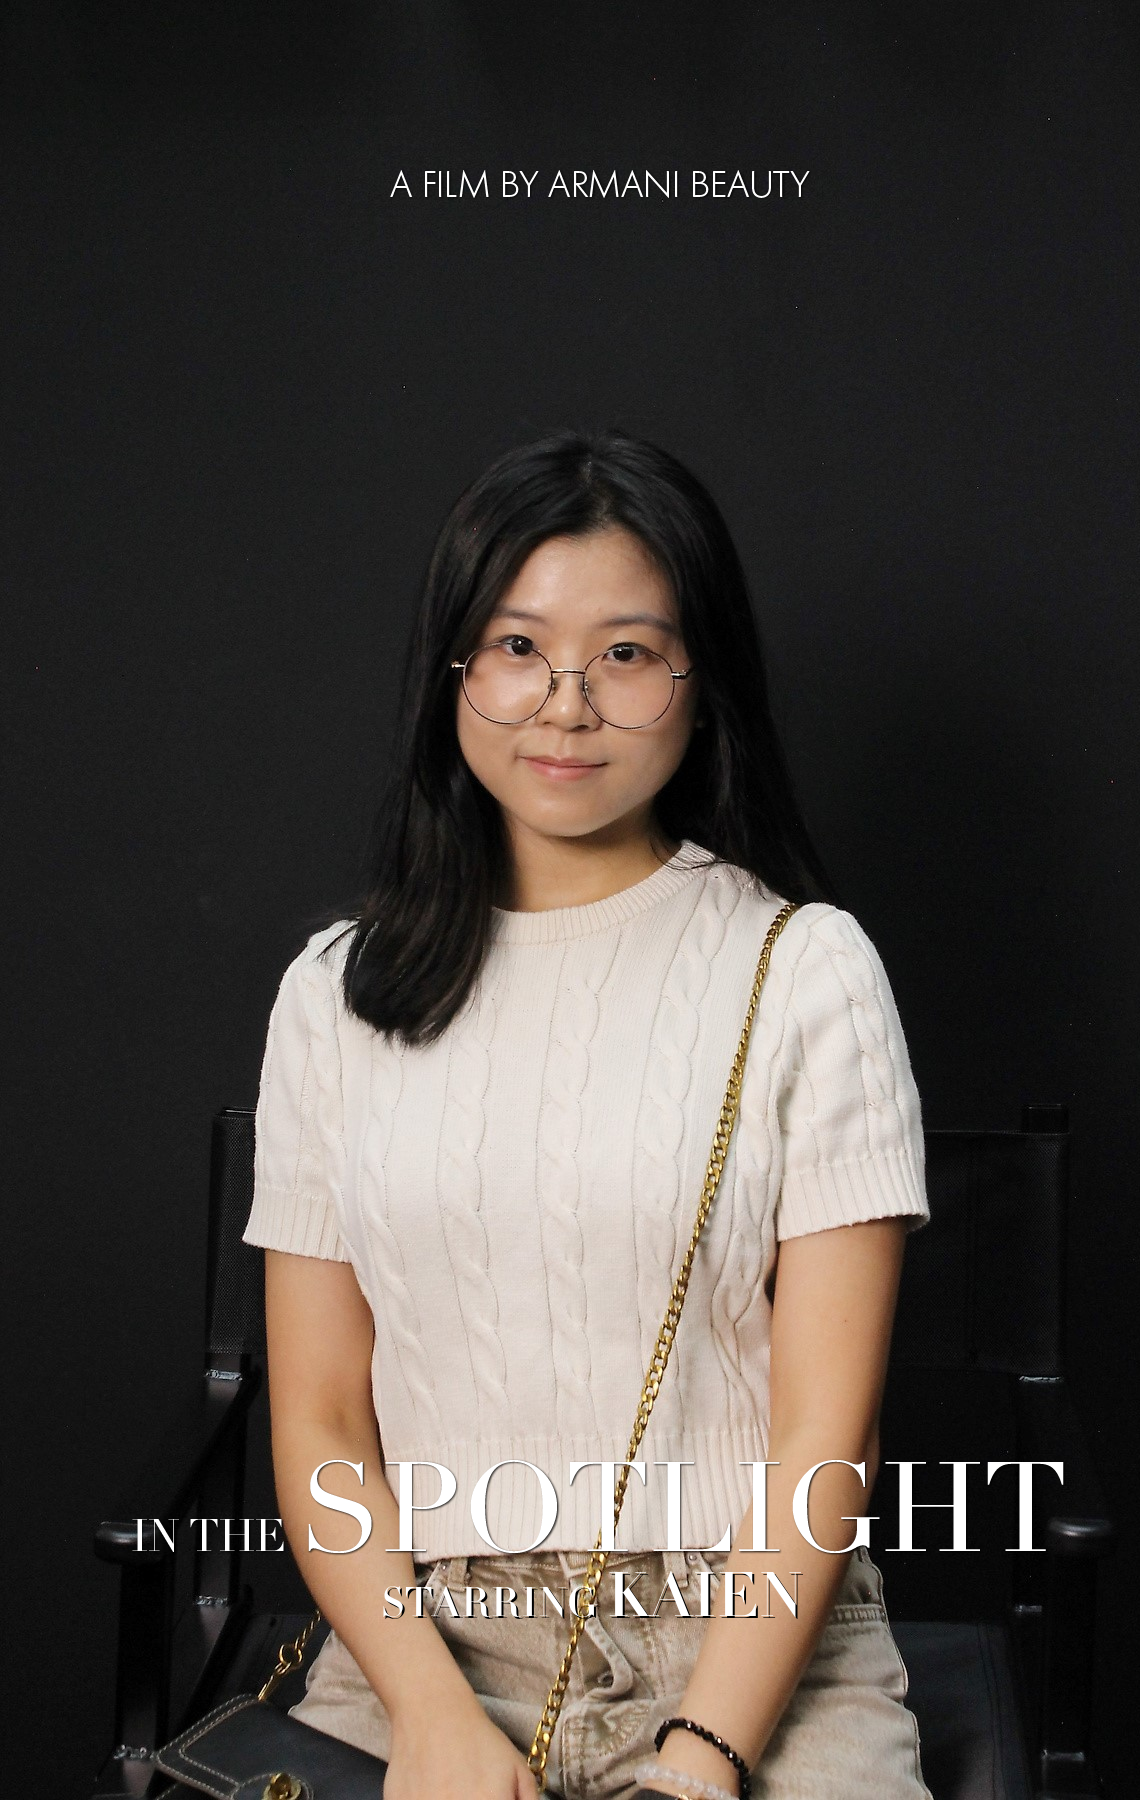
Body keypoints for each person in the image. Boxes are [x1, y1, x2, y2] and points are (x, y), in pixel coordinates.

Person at [242, 428, 934, 1800]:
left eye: (624, 653)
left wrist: (707, 1752)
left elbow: (823, 1436)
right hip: (425, 1638)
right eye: (516, 647)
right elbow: (318, 1421)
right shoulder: (336, 993)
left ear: (699, 682)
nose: (564, 706)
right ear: (455, 670)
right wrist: (430, 1715)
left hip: (750, 1640)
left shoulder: (806, 970)